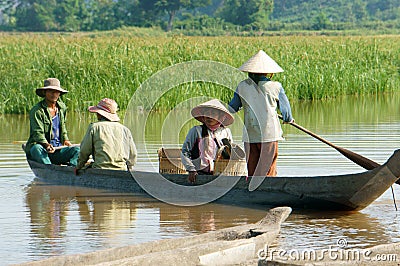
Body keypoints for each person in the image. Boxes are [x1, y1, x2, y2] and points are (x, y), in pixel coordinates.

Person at [229, 50, 294, 177]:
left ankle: (253, 190)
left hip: (250, 134)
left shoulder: (242, 86)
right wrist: (289, 119)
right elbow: (286, 113)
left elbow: (232, 108)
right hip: (269, 134)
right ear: (269, 73)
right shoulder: (276, 87)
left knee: (252, 167)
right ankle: (268, 188)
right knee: (268, 168)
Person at [24, 78, 80, 166]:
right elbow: (37, 133)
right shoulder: (37, 110)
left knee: (77, 150)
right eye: (51, 91)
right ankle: (49, 168)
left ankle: (72, 169)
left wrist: (66, 140)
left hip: (57, 149)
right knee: (36, 148)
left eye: (56, 92)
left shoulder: (62, 108)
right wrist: (46, 145)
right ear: (45, 93)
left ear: (59, 93)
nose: (54, 94)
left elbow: (63, 126)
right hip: (43, 150)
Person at [181, 99, 234, 183]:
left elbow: (231, 154)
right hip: (200, 174)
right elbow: (185, 152)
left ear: (220, 117)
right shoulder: (196, 131)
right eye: (206, 113)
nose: (209, 116)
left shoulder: (226, 132)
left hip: (221, 174)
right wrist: (191, 169)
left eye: (213, 113)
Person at [76, 98, 137, 171]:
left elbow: (84, 152)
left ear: (99, 114)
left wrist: (79, 166)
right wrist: (129, 169)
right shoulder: (125, 130)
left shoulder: (94, 127)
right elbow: (133, 155)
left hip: (100, 169)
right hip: (122, 170)